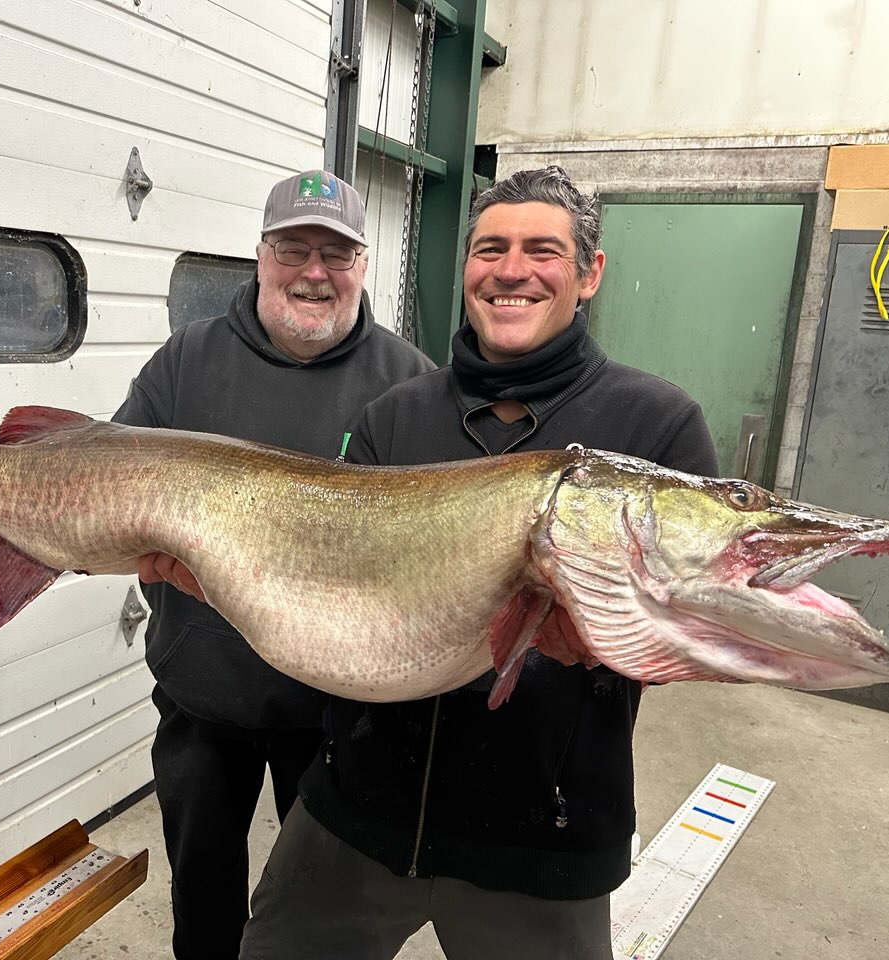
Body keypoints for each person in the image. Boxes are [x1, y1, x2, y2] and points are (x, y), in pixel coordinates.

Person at [0, 170, 434, 960]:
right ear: (259, 256)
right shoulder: (190, 359)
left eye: (334, 253)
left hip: (343, 714)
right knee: (203, 906)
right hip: (206, 702)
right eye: (292, 248)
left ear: (362, 264)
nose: (312, 271)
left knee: (330, 923)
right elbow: (95, 492)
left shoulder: (410, 384)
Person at [236, 166, 719, 959]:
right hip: (356, 815)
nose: (511, 271)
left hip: (542, 844)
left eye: (543, 251)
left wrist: (593, 639)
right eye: (490, 248)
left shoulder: (655, 426)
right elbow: (343, 588)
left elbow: (682, 626)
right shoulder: (395, 416)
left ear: (589, 273)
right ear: (467, 270)